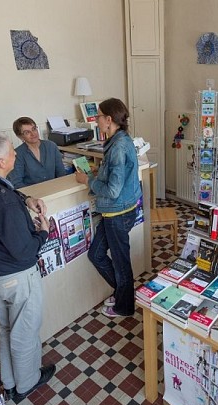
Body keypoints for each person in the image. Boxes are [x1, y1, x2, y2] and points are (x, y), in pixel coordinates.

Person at [0, 132, 56, 404]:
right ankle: (27, 383)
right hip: (16, 278)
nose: (17, 153)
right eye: (12, 152)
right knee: (25, 333)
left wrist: (25, 198)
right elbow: (25, 250)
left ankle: (10, 381)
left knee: (5, 329)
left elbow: (1, 190)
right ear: (3, 161)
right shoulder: (4, 202)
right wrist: (43, 232)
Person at [75, 98, 142, 318]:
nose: (96, 120)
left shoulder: (118, 146)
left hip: (118, 213)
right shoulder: (118, 140)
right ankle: (124, 293)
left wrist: (88, 181)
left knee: (121, 262)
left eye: (99, 116)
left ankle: (124, 305)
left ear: (109, 119)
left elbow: (113, 190)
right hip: (116, 211)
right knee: (96, 254)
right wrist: (100, 173)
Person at [9, 117, 67, 187]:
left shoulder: (51, 146)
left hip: (55, 189)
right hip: (32, 195)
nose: (33, 134)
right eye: (27, 132)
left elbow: (61, 173)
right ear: (20, 136)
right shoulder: (17, 154)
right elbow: (16, 182)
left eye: (34, 129)